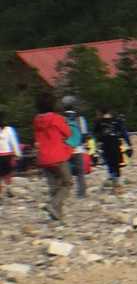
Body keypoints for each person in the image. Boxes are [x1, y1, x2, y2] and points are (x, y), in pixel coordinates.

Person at [32, 94, 73, 222]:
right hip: (58, 155)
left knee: (54, 186)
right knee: (67, 182)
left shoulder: (36, 120)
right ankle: (53, 205)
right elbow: (68, 133)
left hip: (43, 158)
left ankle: (57, 215)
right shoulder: (56, 118)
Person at [94, 107, 133, 190]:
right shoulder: (117, 120)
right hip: (116, 145)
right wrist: (129, 144)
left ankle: (113, 180)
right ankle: (117, 184)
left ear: (101, 112)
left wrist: (95, 148)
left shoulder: (98, 122)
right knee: (116, 164)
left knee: (109, 163)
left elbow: (95, 135)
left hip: (105, 146)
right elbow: (124, 133)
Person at [61, 96, 91, 199]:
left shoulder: (60, 119)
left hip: (65, 149)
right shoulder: (80, 119)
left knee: (65, 173)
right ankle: (81, 194)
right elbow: (84, 134)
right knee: (80, 173)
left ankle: (64, 194)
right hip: (78, 149)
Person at [0, 111, 20, 199]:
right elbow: (13, 142)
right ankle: (8, 189)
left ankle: (1, 193)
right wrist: (17, 154)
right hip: (7, 154)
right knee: (8, 173)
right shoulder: (8, 129)